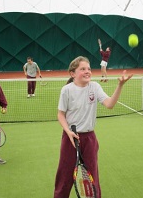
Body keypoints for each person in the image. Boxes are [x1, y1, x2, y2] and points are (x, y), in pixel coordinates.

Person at [54, 56, 133, 198]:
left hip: (90, 139)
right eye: (82, 69)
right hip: (70, 138)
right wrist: (68, 132)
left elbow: (109, 104)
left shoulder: (95, 87)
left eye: (89, 68)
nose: (87, 71)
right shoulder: (66, 90)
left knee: (91, 176)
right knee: (64, 176)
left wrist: (120, 85)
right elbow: (60, 114)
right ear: (73, 74)